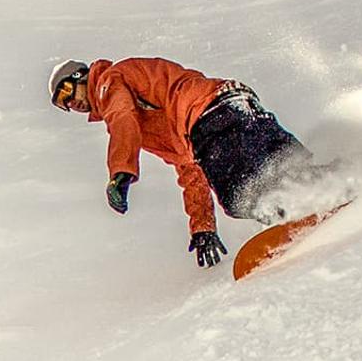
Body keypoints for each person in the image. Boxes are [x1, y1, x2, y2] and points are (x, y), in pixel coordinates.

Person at [46, 56, 321, 268]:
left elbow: (121, 118)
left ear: (81, 76)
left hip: (209, 113)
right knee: (278, 167)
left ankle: (296, 214)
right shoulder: (157, 125)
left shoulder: (109, 81)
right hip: (234, 103)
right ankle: (331, 184)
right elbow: (189, 166)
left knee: (239, 196)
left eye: (67, 90)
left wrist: (120, 173)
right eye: (62, 103)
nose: (71, 103)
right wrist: (202, 226)